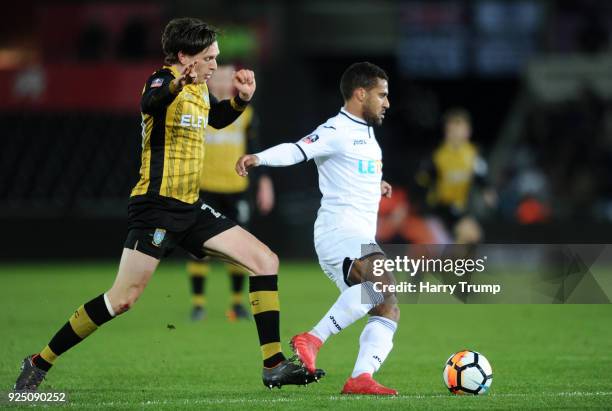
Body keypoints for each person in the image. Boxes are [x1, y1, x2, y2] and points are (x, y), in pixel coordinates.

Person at [14, 17, 322, 392]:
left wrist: (241, 100)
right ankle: (38, 361)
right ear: (184, 57)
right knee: (122, 299)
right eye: (209, 57)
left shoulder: (200, 91)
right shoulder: (161, 81)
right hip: (155, 208)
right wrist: (178, 82)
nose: (215, 65)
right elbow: (152, 100)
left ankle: (273, 364)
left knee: (265, 260)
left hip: (189, 208)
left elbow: (218, 119)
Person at [236, 62, 399, 395]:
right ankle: (311, 339)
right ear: (360, 93)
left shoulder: (366, 135)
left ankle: (361, 378)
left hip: (359, 236)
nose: (387, 103)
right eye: (382, 95)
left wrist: (375, 184)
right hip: (338, 232)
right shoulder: (336, 129)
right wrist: (259, 158)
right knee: (383, 279)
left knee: (386, 304)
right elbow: (298, 149)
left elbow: (354, 170)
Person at [187, 64, 274, 322]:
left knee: (239, 249)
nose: (224, 83)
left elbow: (254, 148)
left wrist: (264, 181)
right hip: (204, 186)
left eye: (228, 78)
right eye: (219, 78)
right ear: (210, 82)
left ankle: (236, 305)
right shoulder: (198, 108)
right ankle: (198, 305)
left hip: (236, 188)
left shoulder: (245, 113)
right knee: (197, 249)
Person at [415, 108, 496, 244]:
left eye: (460, 128)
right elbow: (421, 182)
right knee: (469, 234)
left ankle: (452, 263)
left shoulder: (472, 154)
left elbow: (481, 175)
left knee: (470, 237)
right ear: (447, 132)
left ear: (468, 131)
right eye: (452, 129)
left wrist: (487, 191)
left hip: (458, 208)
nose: (456, 133)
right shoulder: (438, 156)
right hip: (439, 208)